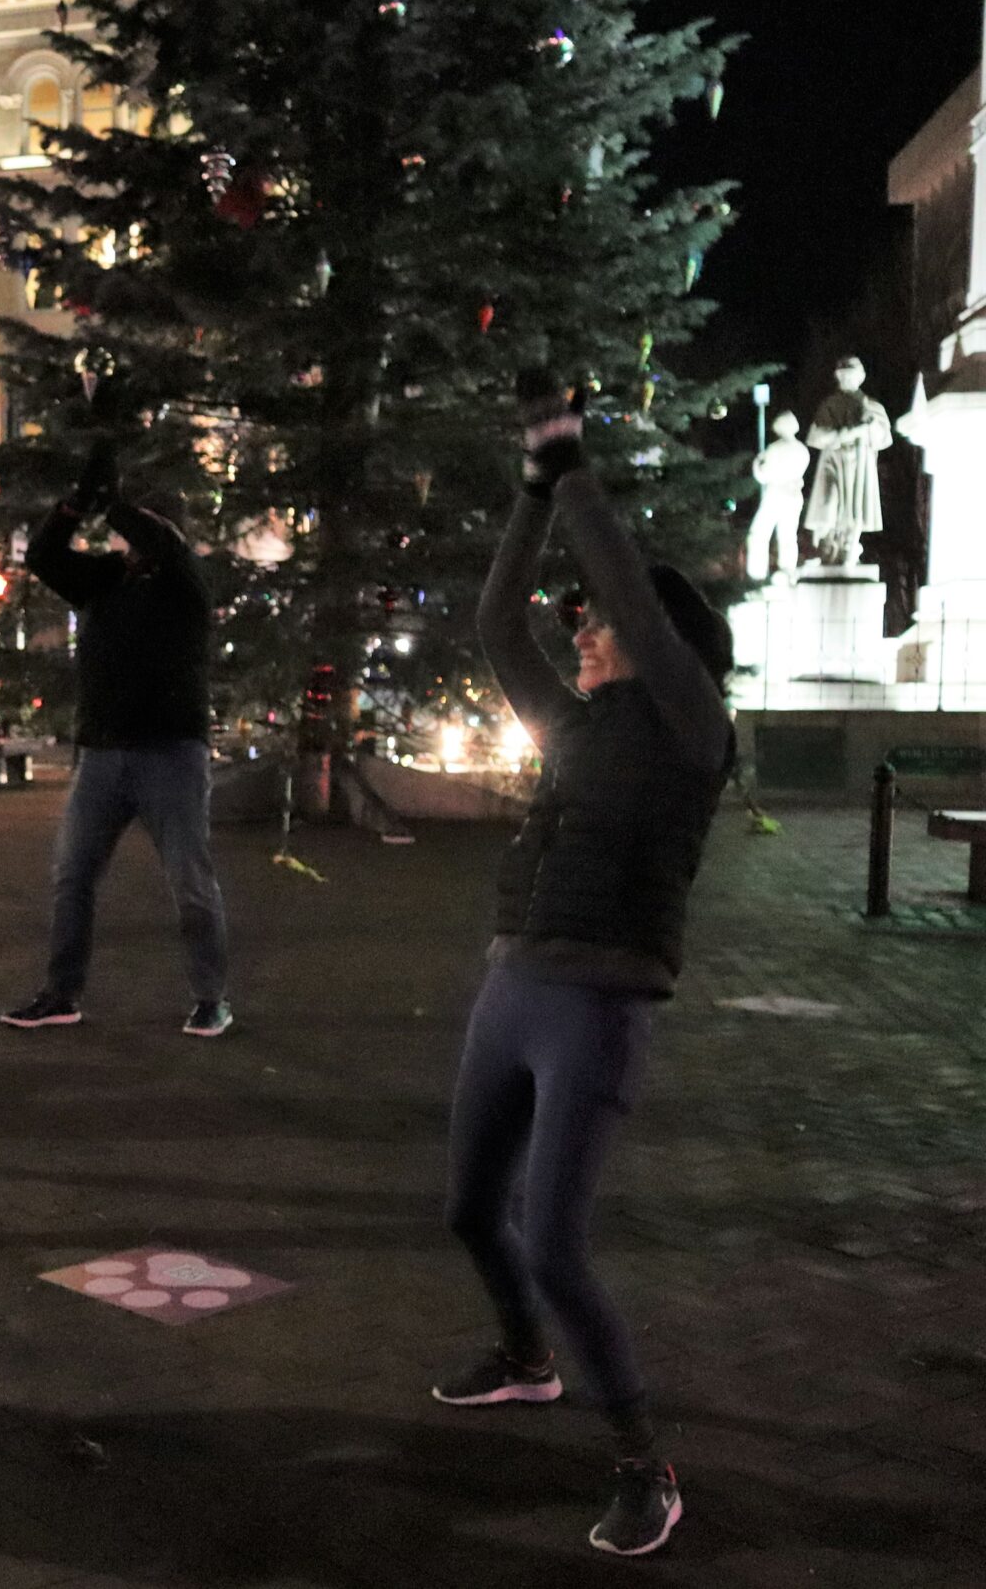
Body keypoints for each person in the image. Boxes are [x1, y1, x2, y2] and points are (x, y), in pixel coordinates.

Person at [433, 380, 735, 1558]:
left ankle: (642, 1464)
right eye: (588, 622)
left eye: (600, 620)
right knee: (468, 1207)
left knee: (553, 1240)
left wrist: (572, 471)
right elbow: (495, 628)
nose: (585, 629)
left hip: (598, 1008)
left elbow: (638, 614)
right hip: (511, 990)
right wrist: (526, 495)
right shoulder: (569, 721)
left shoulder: (690, 729)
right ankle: (522, 1357)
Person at [0, 439, 231, 1038]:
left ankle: (211, 996)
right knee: (71, 875)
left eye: (142, 532)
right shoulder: (105, 580)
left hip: (171, 753)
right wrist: (78, 503)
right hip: (103, 753)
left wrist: (112, 503)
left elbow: (164, 548)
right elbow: (47, 556)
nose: (130, 544)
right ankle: (61, 993)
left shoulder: (186, 583)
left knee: (190, 881)